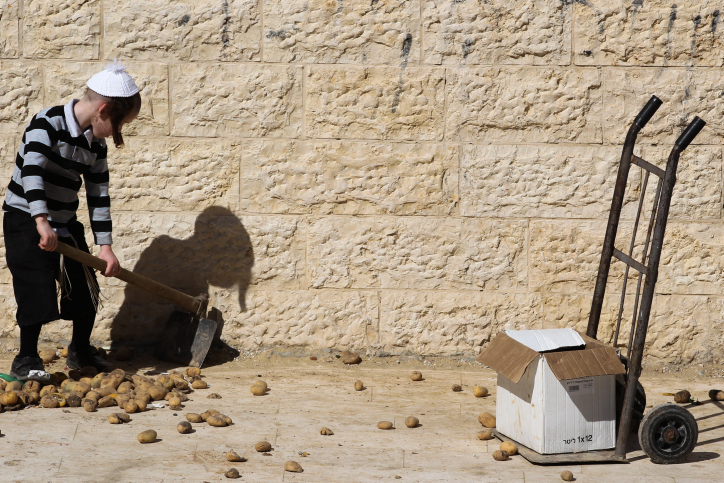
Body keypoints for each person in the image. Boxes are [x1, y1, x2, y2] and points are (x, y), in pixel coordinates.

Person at [3, 61, 141, 382]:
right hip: (26, 217)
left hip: (63, 221)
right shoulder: (46, 124)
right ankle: (25, 358)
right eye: (120, 124)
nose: (119, 132)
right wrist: (40, 220)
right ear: (103, 110)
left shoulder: (96, 145)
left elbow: (99, 196)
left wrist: (105, 248)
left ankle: (80, 349)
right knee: (36, 287)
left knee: (84, 286)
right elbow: (31, 172)